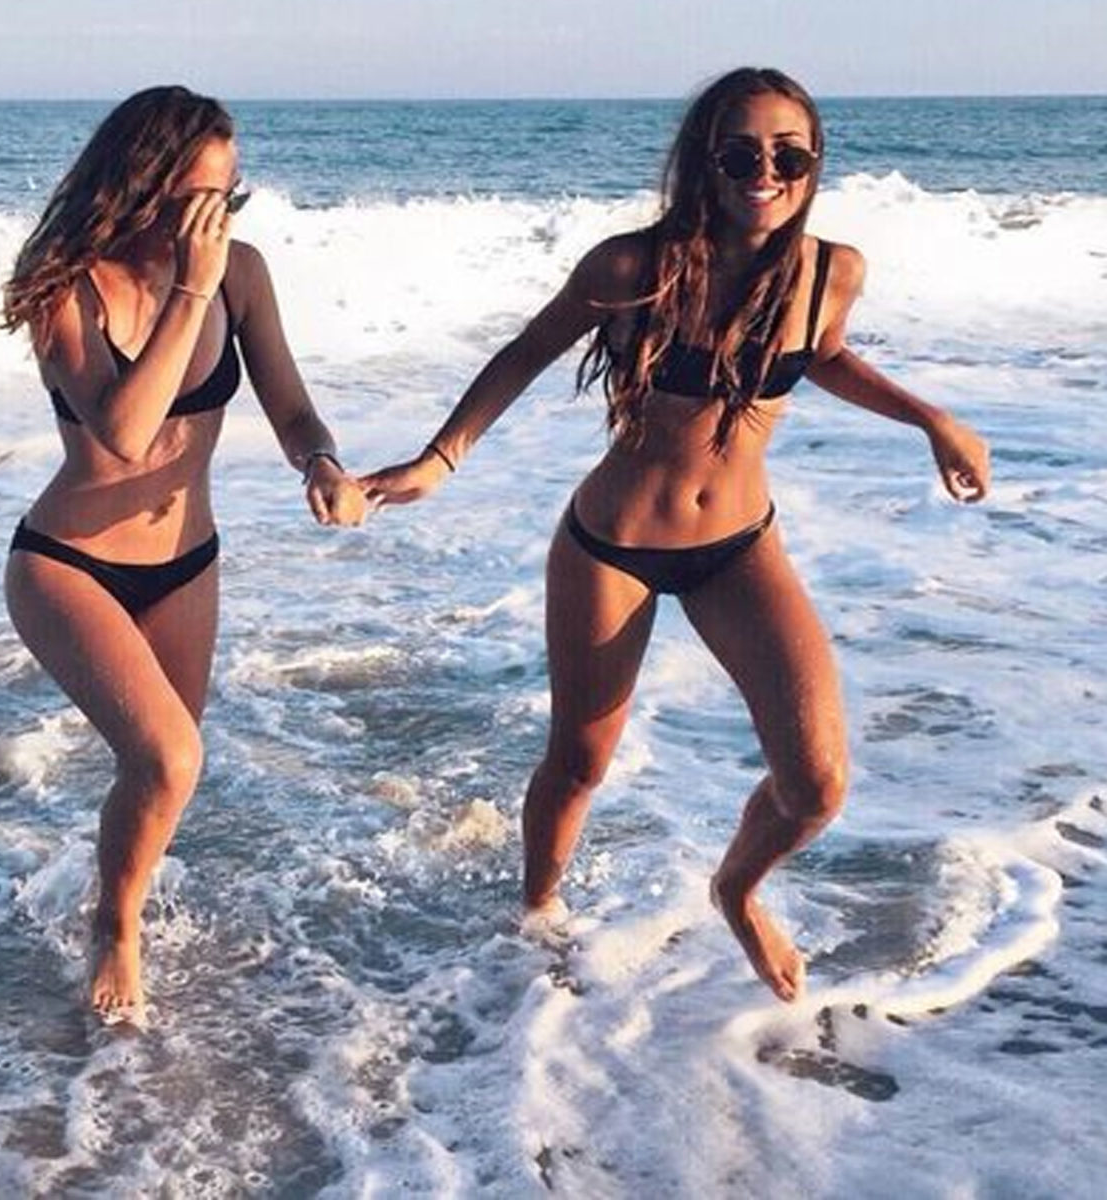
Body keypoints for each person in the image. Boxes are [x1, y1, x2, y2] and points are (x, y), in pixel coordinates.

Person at [362, 67, 990, 1003]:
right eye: (740, 154)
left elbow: (819, 355)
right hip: (610, 547)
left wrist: (930, 419)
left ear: (814, 164)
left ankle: (736, 890)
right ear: (704, 163)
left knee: (816, 785)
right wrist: (439, 460)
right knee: (580, 762)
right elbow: (527, 351)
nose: (765, 172)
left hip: (737, 548)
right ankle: (536, 917)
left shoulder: (833, 272)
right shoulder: (633, 269)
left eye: (788, 155)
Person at [0, 86, 368, 1024]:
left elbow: (291, 406)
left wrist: (320, 462)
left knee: (162, 770)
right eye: (200, 198)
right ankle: (116, 928)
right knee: (169, 759)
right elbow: (125, 434)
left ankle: (109, 888)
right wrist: (191, 289)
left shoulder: (241, 274)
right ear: (141, 186)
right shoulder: (64, 288)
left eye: (229, 197)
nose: (218, 218)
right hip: (69, 564)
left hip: (186, 564)